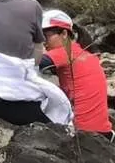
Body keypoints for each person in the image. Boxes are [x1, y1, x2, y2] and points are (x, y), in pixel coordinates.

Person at [39, 9, 113, 137]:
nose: (43, 41)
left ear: (64, 34)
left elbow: (28, 62)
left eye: (46, 36)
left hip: (84, 134)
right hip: (102, 130)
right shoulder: (84, 53)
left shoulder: (66, 52)